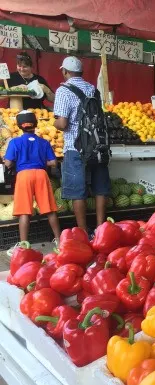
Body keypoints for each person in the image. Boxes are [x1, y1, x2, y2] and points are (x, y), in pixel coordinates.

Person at [54, 56, 110, 232]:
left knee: (78, 191)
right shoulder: (92, 89)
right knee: (101, 188)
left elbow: (62, 124)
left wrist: (53, 122)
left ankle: (83, 232)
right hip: (97, 145)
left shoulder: (63, 91)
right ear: (81, 72)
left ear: (65, 71)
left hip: (75, 147)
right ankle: (101, 229)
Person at [3, 111, 60, 244]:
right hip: (41, 174)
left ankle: (24, 244)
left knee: (24, 212)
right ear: (35, 124)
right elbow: (53, 163)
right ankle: (58, 239)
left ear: (20, 126)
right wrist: (39, 162)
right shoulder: (44, 142)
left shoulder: (15, 142)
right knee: (50, 209)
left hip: (24, 176)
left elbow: (8, 163)